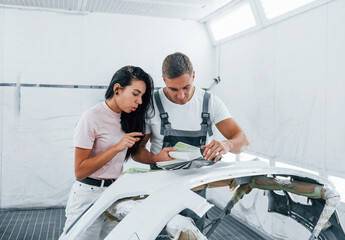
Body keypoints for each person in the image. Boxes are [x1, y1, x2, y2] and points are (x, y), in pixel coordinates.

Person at [133, 52, 249, 231]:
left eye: (186, 87)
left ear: (194, 76)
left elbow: (243, 141)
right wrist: (156, 158)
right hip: (160, 189)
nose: (181, 96)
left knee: (194, 233)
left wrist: (227, 145)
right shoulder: (151, 105)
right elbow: (136, 151)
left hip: (196, 192)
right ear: (163, 79)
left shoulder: (210, 103)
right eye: (174, 89)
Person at [60, 66, 154, 240]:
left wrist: (159, 158)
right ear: (117, 89)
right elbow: (80, 170)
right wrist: (116, 147)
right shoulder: (91, 118)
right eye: (135, 94)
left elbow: (136, 153)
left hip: (115, 193)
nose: (140, 101)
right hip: (87, 194)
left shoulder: (128, 118)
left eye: (142, 96)